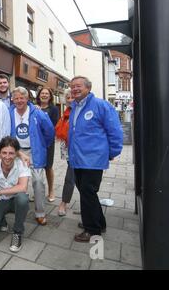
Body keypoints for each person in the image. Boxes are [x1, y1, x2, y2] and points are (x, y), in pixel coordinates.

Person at [68, 76, 123, 242]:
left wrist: (112, 152)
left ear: (88, 88)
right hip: (78, 158)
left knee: (87, 193)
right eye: (72, 87)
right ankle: (99, 222)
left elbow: (115, 131)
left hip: (93, 159)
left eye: (78, 86)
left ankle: (92, 230)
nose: (75, 89)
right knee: (87, 192)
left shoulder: (101, 105)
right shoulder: (75, 107)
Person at [9, 87, 54, 225]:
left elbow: (50, 132)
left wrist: (41, 145)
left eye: (22, 98)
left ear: (27, 98)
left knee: (38, 181)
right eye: (16, 98)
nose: (19, 101)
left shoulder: (37, 112)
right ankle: (15, 207)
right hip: (17, 152)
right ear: (13, 99)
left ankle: (40, 213)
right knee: (14, 181)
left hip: (34, 151)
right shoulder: (9, 112)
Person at [0, 137, 30, 252]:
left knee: (22, 198)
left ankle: (17, 232)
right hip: (1, 200)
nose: (7, 156)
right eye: (4, 153)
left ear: (16, 153)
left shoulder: (22, 164)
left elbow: (23, 187)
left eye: (11, 153)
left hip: (16, 199)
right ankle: (2, 219)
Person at [36, 87, 59, 202]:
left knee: (48, 167)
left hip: (48, 142)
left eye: (46, 94)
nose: (44, 95)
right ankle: (38, 192)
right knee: (37, 168)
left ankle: (51, 191)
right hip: (36, 142)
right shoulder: (34, 108)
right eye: (42, 93)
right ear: (39, 95)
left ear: (50, 96)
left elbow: (54, 125)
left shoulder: (54, 109)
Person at [55, 89, 75, 217]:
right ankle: (65, 202)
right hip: (68, 149)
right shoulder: (66, 112)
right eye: (68, 97)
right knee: (73, 177)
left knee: (71, 177)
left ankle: (64, 202)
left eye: (72, 97)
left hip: (79, 150)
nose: (70, 99)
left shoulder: (80, 111)